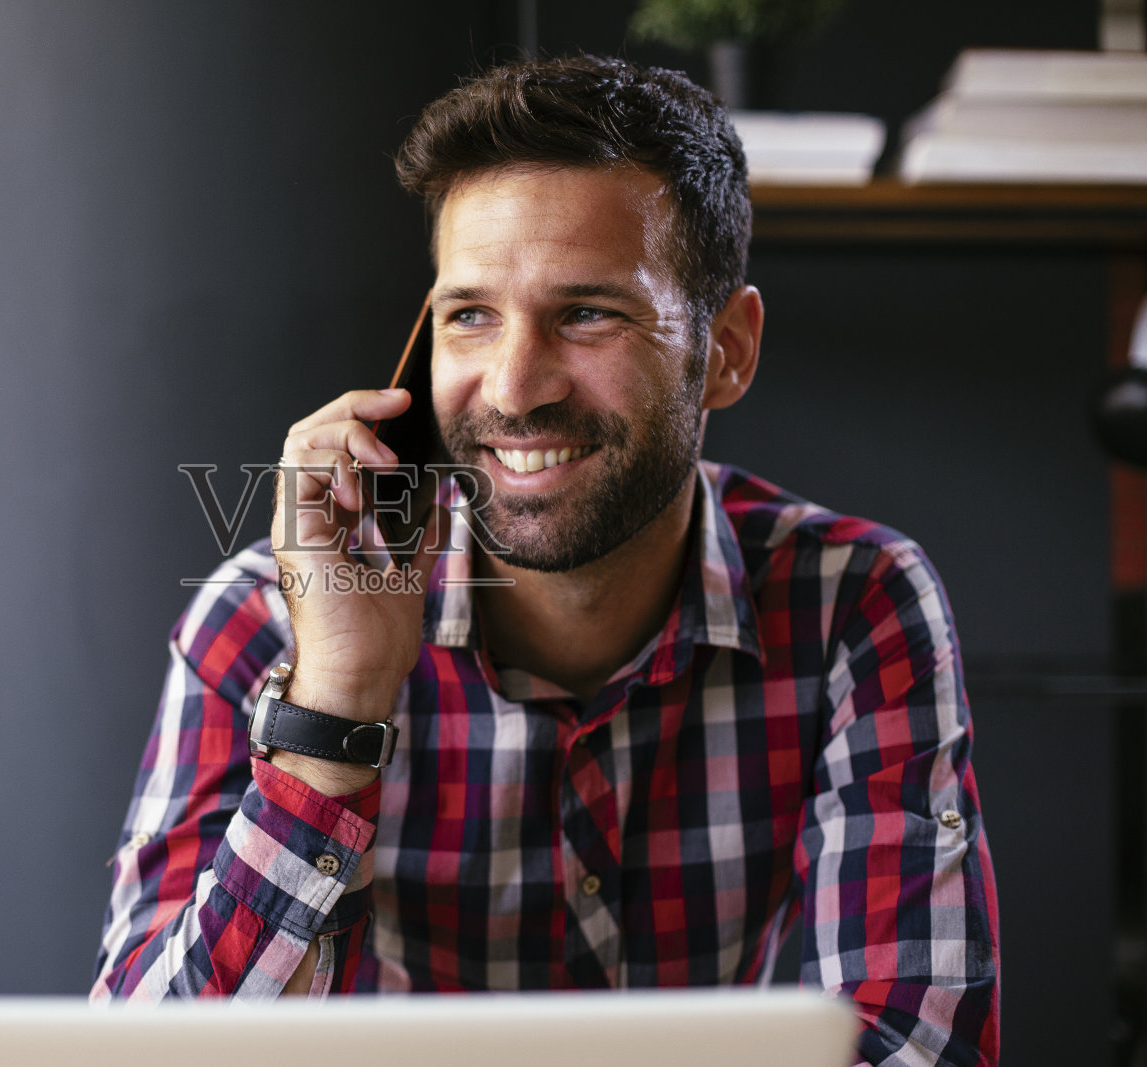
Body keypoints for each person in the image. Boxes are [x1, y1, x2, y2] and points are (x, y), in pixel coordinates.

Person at [92, 55, 999, 1066]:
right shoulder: (266, 619)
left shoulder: (852, 602)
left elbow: (913, 1043)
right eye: (469, 314)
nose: (514, 387)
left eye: (587, 313)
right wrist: (334, 711)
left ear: (728, 349)